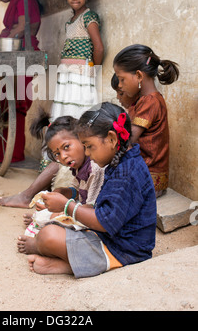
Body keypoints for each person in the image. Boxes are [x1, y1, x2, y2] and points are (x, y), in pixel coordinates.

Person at [0, 0, 104, 205]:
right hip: (67, 76)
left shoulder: (89, 17)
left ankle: (70, 180)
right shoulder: (71, 20)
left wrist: (92, 71)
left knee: (76, 121)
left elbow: (98, 47)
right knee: (62, 120)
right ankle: (53, 179)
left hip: (80, 78)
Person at [25, 102, 157, 278]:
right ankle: (75, 263)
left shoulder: (127, 173)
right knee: (51, 230)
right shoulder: (119, 163)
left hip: (125, 250)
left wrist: (67, 207)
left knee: (47, 236)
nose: (87, 154)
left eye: (89, 146)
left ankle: (77, 264)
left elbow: (103, 221)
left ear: (111, 139)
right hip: (110, 238)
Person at [17, 110, 105, 252]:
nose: (63, 156)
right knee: (46, 215)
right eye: (57, 154)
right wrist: (64, 192)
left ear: (82, 139)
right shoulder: (78, 167)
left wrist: (59, 211)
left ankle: (44, 227)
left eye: (66, 147)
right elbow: (78, 191)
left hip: (94, 218)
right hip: (83, 208)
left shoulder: (95, 169)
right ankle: (43, 219)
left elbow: (92, 209)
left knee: (52, 223)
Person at [113, 44, 179, 197]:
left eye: (122, 80)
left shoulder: (150, 102)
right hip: (145, 174)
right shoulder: (142, 100)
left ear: (139, 76)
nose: (121, 86)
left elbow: (128, 139)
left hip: (149, 178)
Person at [0, 0, 41, 162]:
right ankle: (0, 152)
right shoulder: (17, 1)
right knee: (1, 102)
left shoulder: (25, 0)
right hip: (11, 54)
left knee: (16, 104)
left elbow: (23, 27)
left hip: (21, 54)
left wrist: (7, 41)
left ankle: (12, 154)